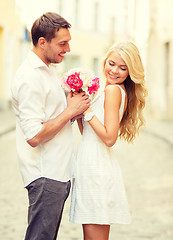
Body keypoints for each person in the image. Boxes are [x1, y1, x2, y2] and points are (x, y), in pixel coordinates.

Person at [11, 12, 90, 240]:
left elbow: (54, 117)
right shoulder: (30, 78)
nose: (67, 50)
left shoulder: (47, 72)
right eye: (62, 44)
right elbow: (34, 135)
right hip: (46, 174)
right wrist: (70, 111)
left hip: (58, 172)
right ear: (42, 42)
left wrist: (73, 109)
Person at [70, 40, 148, 240]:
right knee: (92, 233)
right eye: (111, 63)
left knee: (94, 235)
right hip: (90, 162)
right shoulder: (106, 90)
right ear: (105, 61)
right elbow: (88, 132)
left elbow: (109, 137)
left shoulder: (113, 91)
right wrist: (81, 109)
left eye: (123, 68)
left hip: (98, 166)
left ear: (130, 72)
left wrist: (86, 111)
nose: (115, 71)